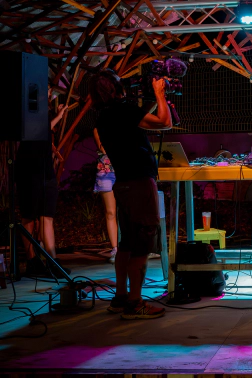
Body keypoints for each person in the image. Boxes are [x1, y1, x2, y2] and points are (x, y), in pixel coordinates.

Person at [89, 69, 171, 320]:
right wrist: (160, 94)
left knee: (126, 243)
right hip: (139, 184)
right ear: (117, 89)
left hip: (123, 183)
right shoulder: (125, 111)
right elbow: (164, 122)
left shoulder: (103, 117)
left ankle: (121, 297)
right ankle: (135, 303)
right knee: (143, 243)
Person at [16, 89, 70, 278]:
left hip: (46, 170)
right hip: (29, 170)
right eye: (46, 89)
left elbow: (45, 130)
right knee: (29, 217)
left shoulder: (44, 113)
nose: (50, 92)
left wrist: (59, 116)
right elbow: (33, 132)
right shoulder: (28, 110)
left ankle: (53, 262)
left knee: (47, 216)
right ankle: (32, 261)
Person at [93, 127, 118, 264]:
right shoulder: (99, 128)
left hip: (124, 170)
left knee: (127, 211)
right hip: (106, 172)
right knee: (110, 212)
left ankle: (130, 247)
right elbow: (103, 148)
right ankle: (115, 249)